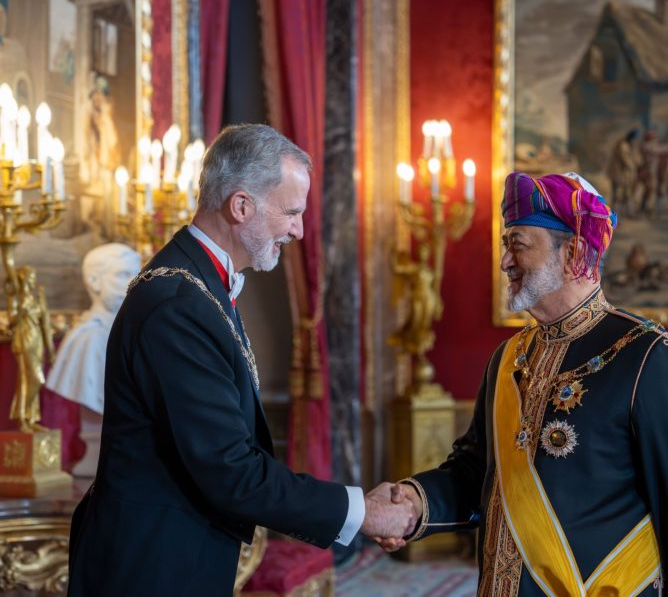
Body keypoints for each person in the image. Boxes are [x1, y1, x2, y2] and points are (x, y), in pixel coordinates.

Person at [67, 124, 414, 596]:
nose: (298, 229)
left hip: (172, 555)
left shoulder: (199, 286)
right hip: (151, 566)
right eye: (291, 212)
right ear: (241, 206)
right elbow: (230, 469)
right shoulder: (177, 304)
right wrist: (362, 512)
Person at [382, 171, 668, 596]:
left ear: (572, 252)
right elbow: (476, 472)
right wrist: (414, 503)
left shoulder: (648, 357)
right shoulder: (508, 358)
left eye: (518, 245)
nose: (504, 262)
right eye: (504, 245)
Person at [46, 243, 141, 477]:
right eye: (122, 274)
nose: (134, 282)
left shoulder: (130, 332)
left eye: (136, 273)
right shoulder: (89, 340)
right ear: (95, 280)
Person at [8, 267, 54, 431]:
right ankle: (21, 417)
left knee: (29, 380)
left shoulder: (37, 299)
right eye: (31, 277)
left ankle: (30, 419)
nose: (34, 281)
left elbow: (46, 325)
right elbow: (11, 322)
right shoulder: (17, 299)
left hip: (37, 342)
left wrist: (51, 349)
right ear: (24, 278)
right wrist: (22, 309)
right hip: (24, 340)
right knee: (33, 379)